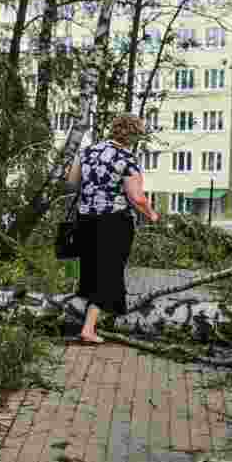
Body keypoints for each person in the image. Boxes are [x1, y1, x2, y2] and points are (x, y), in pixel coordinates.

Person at [66, 114, 160, 343]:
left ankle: (84, 316)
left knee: (91, 269)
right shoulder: (127, 158)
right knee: (109, 271)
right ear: (134, 136)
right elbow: (137, 197)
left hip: (85, 218)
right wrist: (152, 214)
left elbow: (71, 181)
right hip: (114, 222)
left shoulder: (87, 151)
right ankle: (88, 329)